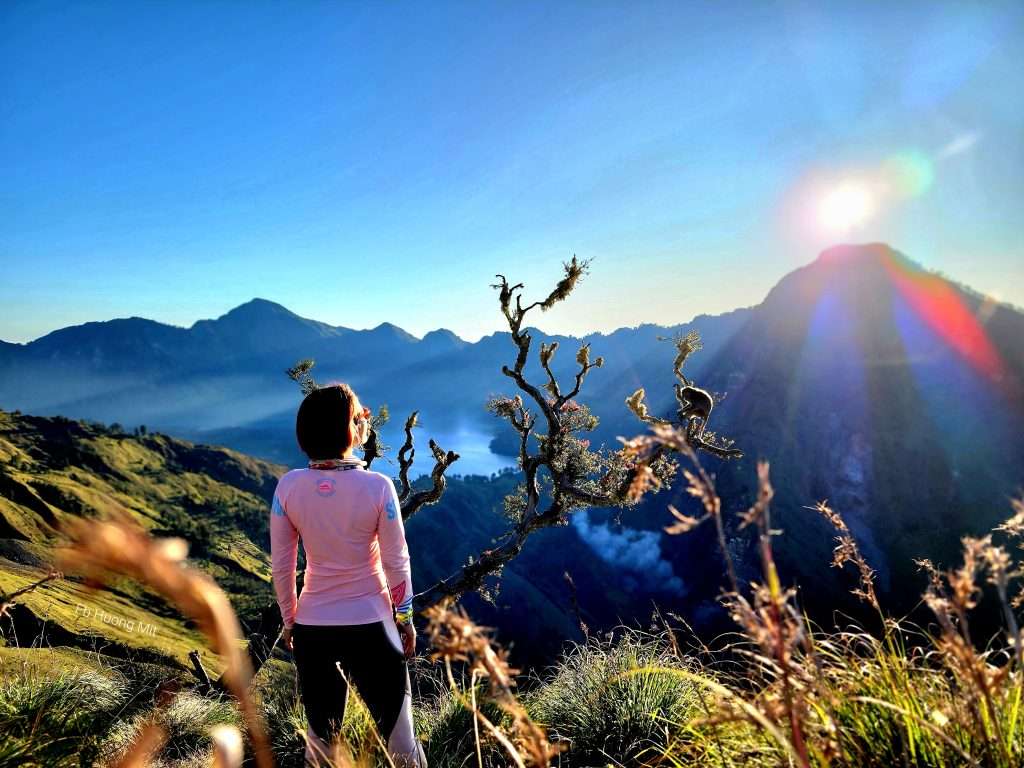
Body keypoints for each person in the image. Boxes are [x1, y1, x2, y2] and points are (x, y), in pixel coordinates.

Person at [269, 382, 427, 767]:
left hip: (312, 626)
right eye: (358, 416)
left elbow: (282, 566)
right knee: (400, 742)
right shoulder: (378, 487)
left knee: (321, 746)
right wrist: (404, 619)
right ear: (349, 429)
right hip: (372, 623)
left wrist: (290, 622)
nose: (363, 421)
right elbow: (397, 562)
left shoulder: (288, 487)